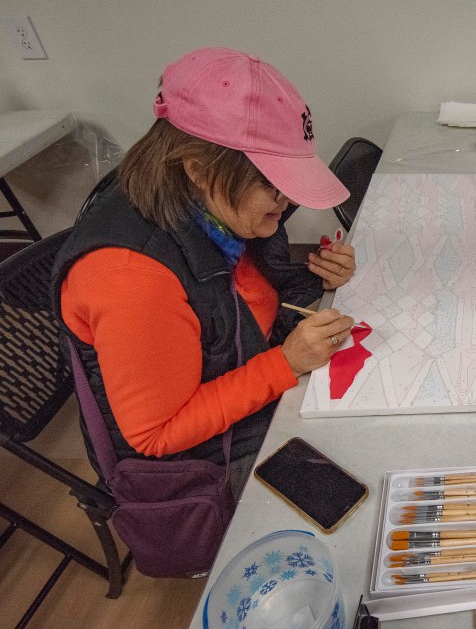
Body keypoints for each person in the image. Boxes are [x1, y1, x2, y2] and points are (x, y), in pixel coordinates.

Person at [54, 47, 356, 497]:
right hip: (191, 465)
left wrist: (315, 278)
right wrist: (286, 362)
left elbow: (234, 302)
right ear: (198, 167)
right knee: (359, 461)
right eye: (274, 186)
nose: (287, 202)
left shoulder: (211, 210)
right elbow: (157, 435)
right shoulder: (131, 278)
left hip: (244, 375)